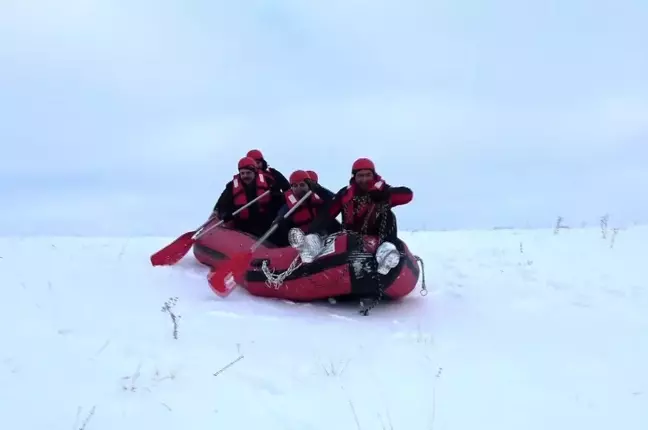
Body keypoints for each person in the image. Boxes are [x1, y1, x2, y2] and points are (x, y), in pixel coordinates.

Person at [297, 157, 413, 274]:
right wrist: (311, 232)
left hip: (377, 237)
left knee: (389, 215)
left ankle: (387, 253)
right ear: (354, 177)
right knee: (328, 222)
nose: (364, 179)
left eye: (368, 175)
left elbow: (407, 195)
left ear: (374, 175)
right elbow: (328, 213)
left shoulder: (383, 190)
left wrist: (385, 195)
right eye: (360, 176)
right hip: (351, 238)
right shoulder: (345, 194)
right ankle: (314, 248)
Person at [212, 156, 284, 237]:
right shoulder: (231, 186)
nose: (245, 176)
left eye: (248, 173)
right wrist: (225, 214)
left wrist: (276, 193)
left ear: (255, 172)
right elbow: (223, 203)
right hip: (242, 225)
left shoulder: (268, 181)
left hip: (265, 222)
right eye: (242, 173)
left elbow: (280, 201)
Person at [270, 170, 342, 246]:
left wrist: (320, 189)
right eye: (295, 186)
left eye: (302, 185)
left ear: (309, 186)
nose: (299, 188)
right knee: (282, 224)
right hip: (302, 239)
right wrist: (278, 219)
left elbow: (336, 200)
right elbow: (283, 212)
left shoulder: (319, 198)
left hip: (323, 234)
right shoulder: (289, 204)